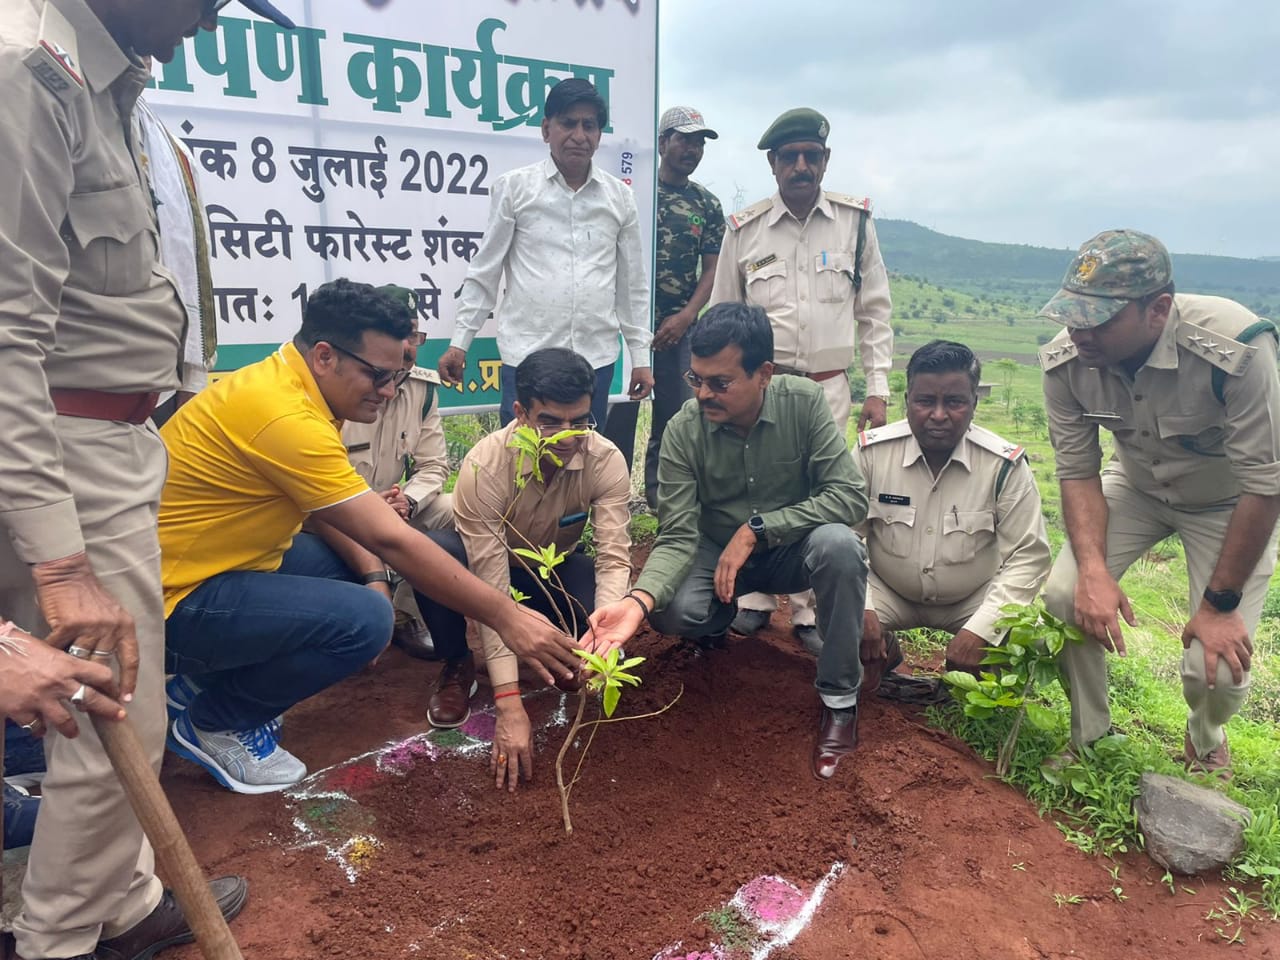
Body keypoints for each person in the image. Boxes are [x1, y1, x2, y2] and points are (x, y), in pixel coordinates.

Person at [0, 1, 294, 957]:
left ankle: (122, 906)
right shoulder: (28, 73)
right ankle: (56, 944)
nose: (209, 18)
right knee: (110, 715)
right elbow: (5, 338)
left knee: (110, 710)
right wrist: (58, 565)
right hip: (64, 447)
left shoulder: (113, 84)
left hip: (112, 440)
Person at [159, 279, 581, 796]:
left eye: (397, 374)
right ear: (324, 356)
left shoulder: (288, 385)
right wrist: (506, 615)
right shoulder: (285, 416)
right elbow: (393, 540)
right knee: (366, 620)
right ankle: (218, 720)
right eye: (378, 375)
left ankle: (196, 688)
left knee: (348, 572)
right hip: (170, 599)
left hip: (211, 563)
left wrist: (374, 578)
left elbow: (337, 520)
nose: (388, 390)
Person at [588, 303, 870, 781]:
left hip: (791, 552)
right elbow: (678, 534)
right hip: (713, 554)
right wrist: (636, 602)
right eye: (696, 379)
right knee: (672, 609)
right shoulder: (683, 430)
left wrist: (760, 529)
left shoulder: (803, 403)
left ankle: (840, 700)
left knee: (840, 547)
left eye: (720, 383)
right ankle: (712, 627)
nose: (702, 394)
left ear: (764, 373)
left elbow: (848, 497)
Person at [1038, 229, 1280, 776]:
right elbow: (1078, 472)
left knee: (1212, 670)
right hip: (1139, 486)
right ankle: (1091, 737)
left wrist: (1219, 606)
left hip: (1228, 503)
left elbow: (1265, 486)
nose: (1079, 332)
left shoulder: (1236, 348)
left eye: (1098, 319)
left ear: (1159, 309)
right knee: (1064, 594)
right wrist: (1094, 572)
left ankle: (1205, 734)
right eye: (1073, 315)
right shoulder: (1067, 360)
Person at [709, 107, 894, 647]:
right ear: (773, 164)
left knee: (821, 487)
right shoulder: (744, 229)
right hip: (760, 385)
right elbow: (724, 311)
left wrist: (878, 389)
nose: (801, 165)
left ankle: (809, 610)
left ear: (825, 160)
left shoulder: (854, 222)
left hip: (828, 385)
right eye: (789, 157)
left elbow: (875, 312)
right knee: (754, 479)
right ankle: (755, 598)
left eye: (811, 156)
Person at [416, 348, 632, 789]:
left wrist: (605, 638)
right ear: (520, 413)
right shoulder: (486, 466)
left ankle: (567, 652)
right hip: (482, 574)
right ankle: (457, 664)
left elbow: (613, 557)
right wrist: (509, 704)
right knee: (432, 556)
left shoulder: (605, 459)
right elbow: (492, 583)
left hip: (549, 572)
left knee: (589, 606)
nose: (566, 436)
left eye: (580, 422)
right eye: (551, 422)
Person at [437, 78, 654, 427]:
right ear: (546, 129)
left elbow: (632, 286)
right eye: (568, 123)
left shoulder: (619, 197)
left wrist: (640, 357)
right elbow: (485, 271)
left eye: (590, 125)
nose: (579, 135)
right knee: (520, 463)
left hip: (594, 360)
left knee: (582, 462)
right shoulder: (514, 188)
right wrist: (460, 342)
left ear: (599, 135)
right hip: (528, 359)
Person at [855, 341, 1051, 693]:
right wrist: (863, 608)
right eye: (926, 401)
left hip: (971, 598)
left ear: (974, 403)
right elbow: (845, 537)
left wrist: (983, 628)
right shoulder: (871, 453)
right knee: (839, 614)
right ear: (907, 401)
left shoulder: (1002, 465)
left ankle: (977, 689)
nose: (939, 415)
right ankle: (883, 653)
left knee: (1025, 640)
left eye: (955, 402)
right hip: (887, 590)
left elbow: (1028, 556)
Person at [341, 287, 452, 659]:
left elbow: (434, 465)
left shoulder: (422, 390)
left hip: (397, 508)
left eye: (414, 336)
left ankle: (406, 612)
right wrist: (369, 507)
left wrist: (409, 499)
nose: (408, 347)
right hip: (336, 516)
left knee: (458, 512)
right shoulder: (339, 387)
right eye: (398, 336)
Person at [642, 106, 726, 508]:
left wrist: (687, 316)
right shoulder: (635, 192)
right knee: (616, 417)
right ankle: (606, 507)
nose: (692, 149)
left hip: (680, 328)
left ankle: (664, 506)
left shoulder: (707, 204)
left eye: (699, 143)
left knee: (676, 420)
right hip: (629, 327)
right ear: (662, 143)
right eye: (684, 139)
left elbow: (712, 268)